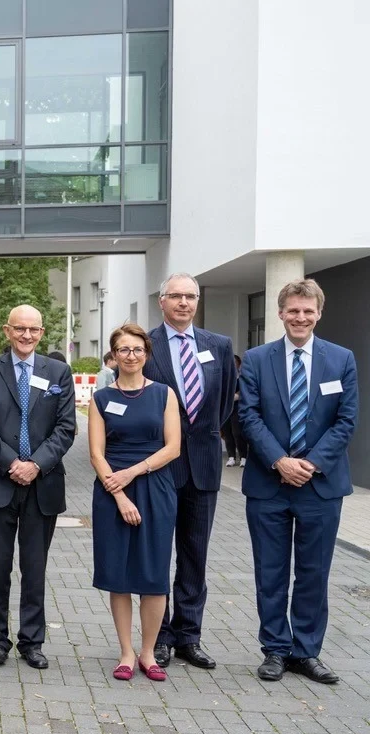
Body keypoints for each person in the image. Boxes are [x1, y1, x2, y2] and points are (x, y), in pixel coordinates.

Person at [239, 279, 357, 685]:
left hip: (321, 486)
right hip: (269, 484)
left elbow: (346, 420)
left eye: (308, 311)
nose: (300, 318)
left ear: (318, 313)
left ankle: (306, 652)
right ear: (280, 313)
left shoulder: (341, 359)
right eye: (293, 311)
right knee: (269, 571)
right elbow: (248, 416)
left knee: (313, 573)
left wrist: (310, 463)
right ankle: (275, 649)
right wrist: (279, 461)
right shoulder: (256, 359)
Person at [143, 273, 237, 670]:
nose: (183, 303)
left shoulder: (219, 346)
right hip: (161, 467)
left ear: (197, 302)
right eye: (175, 296)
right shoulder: (146, 345)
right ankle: (159, 637)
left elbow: (225, 405)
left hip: (203, 465)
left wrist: (203, 436)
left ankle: (189, 636)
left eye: (190, 297)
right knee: (158, 554)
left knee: (195, 556)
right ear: (161, 301)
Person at [0, 305, 76, 670]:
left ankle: (32, 642)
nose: (27, 336)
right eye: (20, 329)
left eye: (34, 329)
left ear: (42, 332)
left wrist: (35, 465)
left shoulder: (59, 371)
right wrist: (12, 463)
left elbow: (66, 428)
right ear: (7, 331)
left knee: (35, 567)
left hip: (42, 483)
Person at [89, 323, 181, 683]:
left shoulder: (164, 394)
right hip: (112, 492)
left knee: (155, 575)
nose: (131, 356)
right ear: (114, 355)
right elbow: (97, 454)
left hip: (155, 486)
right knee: (120, 574)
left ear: (146, 354)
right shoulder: (101, 399)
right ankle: (126, 651)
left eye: (137, 350)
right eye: (124, 350)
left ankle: (148, 652)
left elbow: (172, 447)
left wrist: (133, 473)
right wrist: (120, 492)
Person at [224, 354, 247, 467]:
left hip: (237, 408)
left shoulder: (242, 378)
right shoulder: (224, 378)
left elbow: (242, 393)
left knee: (237, 433)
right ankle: (231, 457)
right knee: (227, 433)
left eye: (235, 362)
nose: (232, 365)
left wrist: (233, 396)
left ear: (239, 364)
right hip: (225, 408)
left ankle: (243, 457)